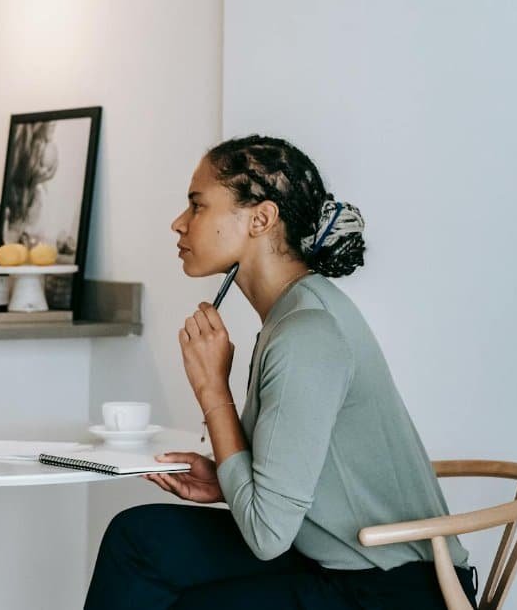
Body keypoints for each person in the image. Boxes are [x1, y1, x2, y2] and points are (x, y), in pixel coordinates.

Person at [84, 135, 476, 609]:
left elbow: (267, 535)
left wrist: (213, 390)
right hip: (335, 558)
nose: (179, 223)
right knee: (139, 538)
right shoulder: (294, 315)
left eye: (197, 206)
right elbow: (285, 489)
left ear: (261, 219)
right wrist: (228, 478)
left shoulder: (306, 334)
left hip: (394, 588)